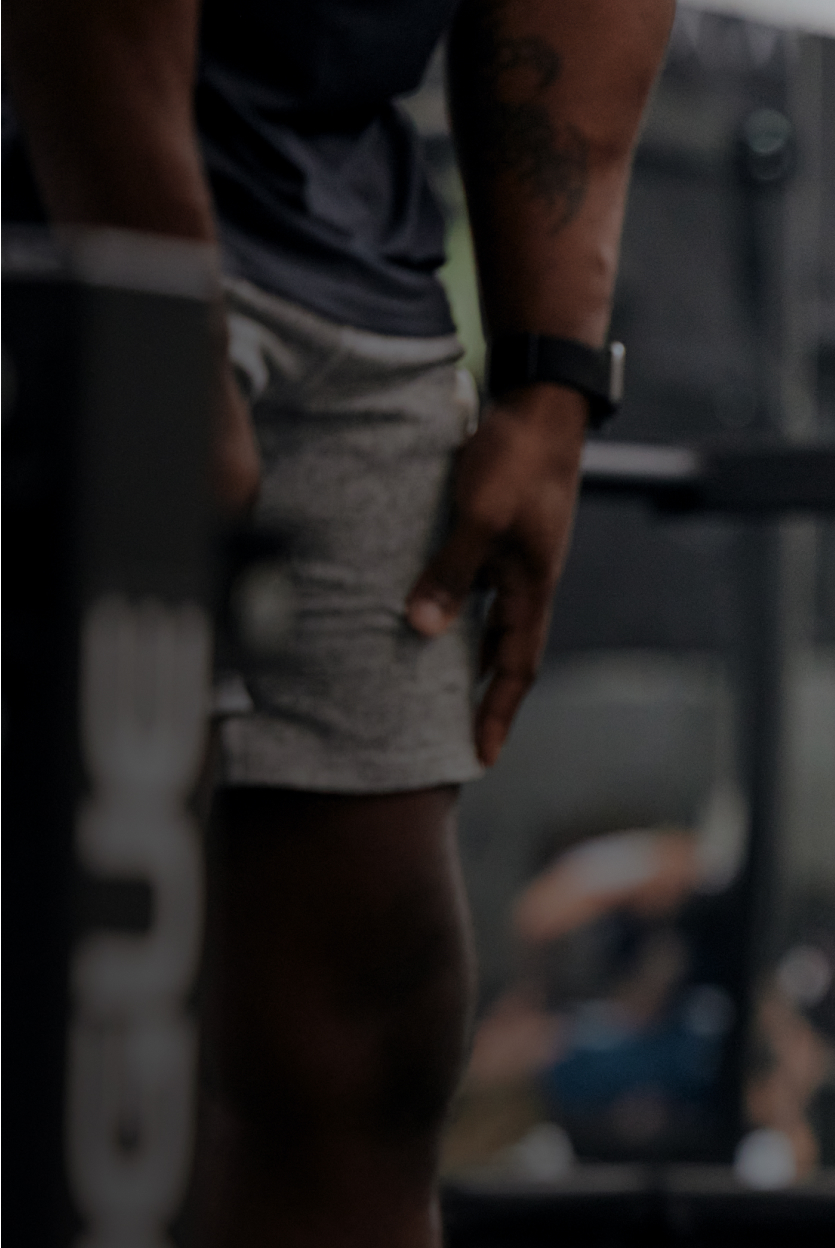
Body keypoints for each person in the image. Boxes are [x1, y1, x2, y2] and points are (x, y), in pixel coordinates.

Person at [3, 0, 674, 1241]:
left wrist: (552, 379)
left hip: (344, 273)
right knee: (66, 983)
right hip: (42, 209)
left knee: (369, 1020)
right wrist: (157, 326)